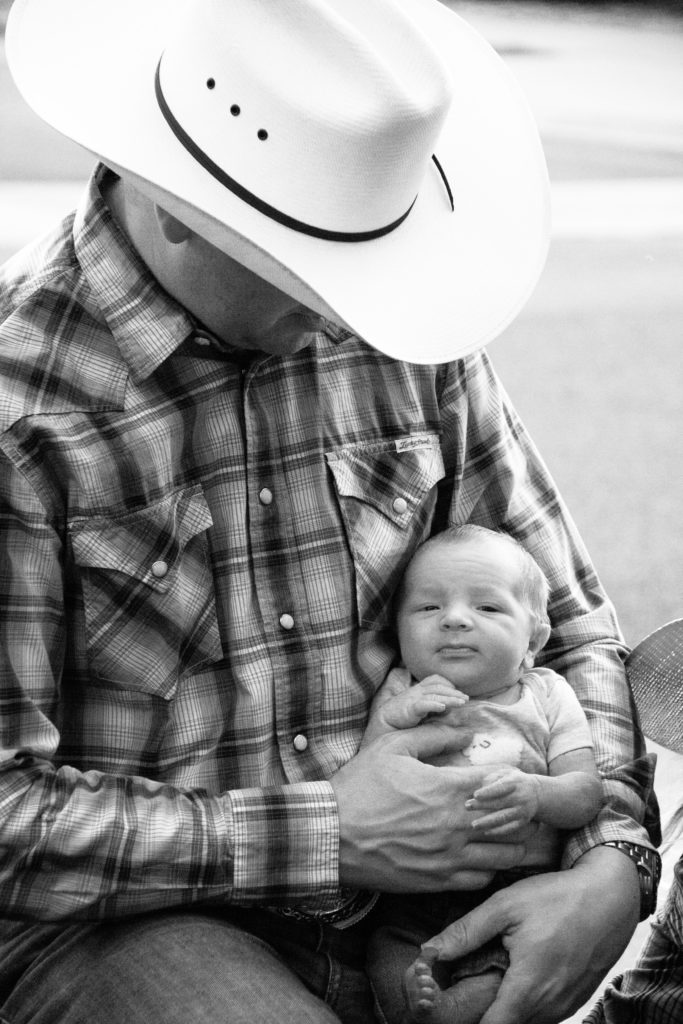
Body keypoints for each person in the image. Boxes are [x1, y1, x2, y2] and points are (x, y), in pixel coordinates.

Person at [0, 1, 660, 1023]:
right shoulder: (24, 412)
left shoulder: (399, 330)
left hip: (428, 899)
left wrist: (612, 862)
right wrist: (326, 832)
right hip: (120, 925)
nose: (352, 308)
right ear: (175, 204)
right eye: (311, 273)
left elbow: (561, 611)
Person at [364, 525, 605, 1024]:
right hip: (413, 891)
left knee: (502, 976)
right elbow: (368, 784)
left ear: (534, 638)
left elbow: (585, 793)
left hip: (516, 889)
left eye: (488, 608)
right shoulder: (402, 691)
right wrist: (392, 721)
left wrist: (537, 793)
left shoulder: (547, 696)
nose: (453, 620)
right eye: (428, 608)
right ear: (398, 631)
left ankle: (451, 1010)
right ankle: (420, 1006)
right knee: (390, 962)